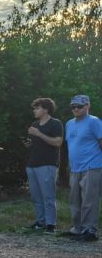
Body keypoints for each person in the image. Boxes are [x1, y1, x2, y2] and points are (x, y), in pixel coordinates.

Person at [64, 94, 102, 242]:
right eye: (73, 106)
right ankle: (77, 228)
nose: (75, 109)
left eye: (79, 106)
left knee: (89, 199)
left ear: (87, 106)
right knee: (74, 200)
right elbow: (71, 146)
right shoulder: (69, 124)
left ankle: (89, 230)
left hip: (92, 166)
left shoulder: (94, 122)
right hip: (75, 168)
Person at [24, 98, 63, 233]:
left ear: (46, 109)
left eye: (37, 108)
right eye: (34, 108)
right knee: (36, 196)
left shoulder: (55, 123)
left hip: (47, 164)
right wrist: (29, 143)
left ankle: (51, 225)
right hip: (32, 164)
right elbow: (37, 143)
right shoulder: (35, 124)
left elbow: (58, 142)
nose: (35, 110)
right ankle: (41, 222)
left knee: (48, 195)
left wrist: (38, 134)